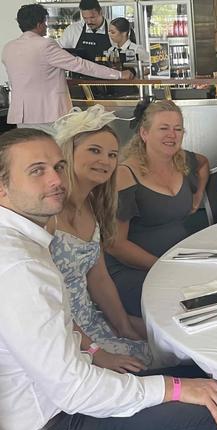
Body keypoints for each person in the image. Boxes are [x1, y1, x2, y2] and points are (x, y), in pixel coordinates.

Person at [0, 128, 217, 430]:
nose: (56, 179)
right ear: (2, 186)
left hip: (64, 413)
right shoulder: (18, 266)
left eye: (57, 166)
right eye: (37, 170)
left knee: (209, 380)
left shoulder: (23, 242)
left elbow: (56, 330)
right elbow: (74, 389)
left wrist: (105, 352)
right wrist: (175, 390)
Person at [49, 105, 152, 367]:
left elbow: (99, 277)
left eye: (112, 155)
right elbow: (46, 303)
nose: (105, 161)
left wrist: (123, 325)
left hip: (92, 322)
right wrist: (97, 353)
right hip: (61, 337)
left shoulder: (92, 205)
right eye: (94, 151)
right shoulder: (46, 214)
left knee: (167, 344)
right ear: (68, 153)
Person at [105, 100, 209, 317]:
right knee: (193, 309)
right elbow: (115, 244)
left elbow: (204, 163)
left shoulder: (182, 160)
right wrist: (162, 267)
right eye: (163, 128)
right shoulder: (125, 174)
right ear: (144, 133)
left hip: (177, 261)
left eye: (177, 129)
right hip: (136, 270)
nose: (172, 135)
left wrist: (198, 195)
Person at [1, 4, 132, 132]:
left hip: (22, 115)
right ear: (39, 24)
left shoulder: (8, 47)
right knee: (58, 151)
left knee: (30, 152)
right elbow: (80, 65)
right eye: (45, 22)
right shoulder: (45, 45)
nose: (46, 26)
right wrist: (118, 74)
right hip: (49, 114)